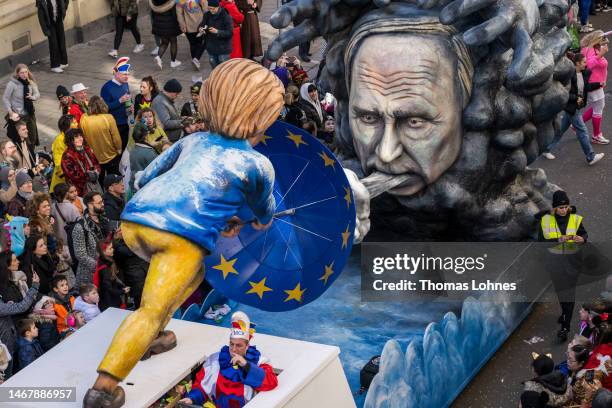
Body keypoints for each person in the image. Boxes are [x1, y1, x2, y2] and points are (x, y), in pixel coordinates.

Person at [84, 60, 283, 408]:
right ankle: (104, 387)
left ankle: (156, 335)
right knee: (149, 309)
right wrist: (245, 220)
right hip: (179, 239)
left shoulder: (194, 140)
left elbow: (146, 178)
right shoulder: (256, 164)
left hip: (135, 222)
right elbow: (263, 213)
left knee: (194, 274)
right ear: (263, 114)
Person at [180, 312, 278, 407]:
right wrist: (192, 398)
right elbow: (202, 387)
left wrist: (246, 365)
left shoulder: (259, 362)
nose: (234, 349)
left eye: (239, 345)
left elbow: (271, 382)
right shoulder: (215, 360)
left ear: (247, 345)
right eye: (231, 344)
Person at [537, 190, 588, 342]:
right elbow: (540, 244)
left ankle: (565, 326)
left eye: (566, 207)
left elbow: (584, 235)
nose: (564, 210)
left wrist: (582, 239)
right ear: (554, 208)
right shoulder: (546, 221)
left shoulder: (575, 219)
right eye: (561, 207)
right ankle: (565, 313)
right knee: (561, 292)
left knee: (569, 293)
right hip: (555, 264)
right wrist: (557, 240)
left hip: (573, 262)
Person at [0, 270, 38, 379]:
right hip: (5, 351)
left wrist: (6, 306)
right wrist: (34, 286)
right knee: (8, 378)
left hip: (8, 345)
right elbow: (22, 307)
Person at [71, 192, 109, 288]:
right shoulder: (80, 226)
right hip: (89, 276)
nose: (103, 204)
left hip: (107, 270)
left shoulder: (105, 221)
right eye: (99, 203)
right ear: (90, 205)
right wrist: (98, 266)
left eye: (102, 202)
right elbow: (80, 254)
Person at [80, 96, 123, 179]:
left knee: (100, 179)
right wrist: (119, 149)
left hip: (94, 157)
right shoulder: (108, 117)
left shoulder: (84, 118)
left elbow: (83, 137)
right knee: (114, 178)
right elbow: (116, 137)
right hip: (110, 155)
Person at [582, 32, 610, 145]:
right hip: (593, 84)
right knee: (598, 109)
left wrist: (604, 81)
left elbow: (602, 67)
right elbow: (587, 66)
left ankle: (576, 125)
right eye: (602, 42)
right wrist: (600, 55)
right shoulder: (588, 50)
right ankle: (596, 136)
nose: (604, 44)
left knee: (597, 107)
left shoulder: (595, 48)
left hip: (598, 84)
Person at [3, 64, 40, 147]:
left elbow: (37, 94)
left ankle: (32, 155)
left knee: (33, 137)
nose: (24, 74)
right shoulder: (12, 84)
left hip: (30, 114)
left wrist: (32, 97)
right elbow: (5, 98)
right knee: (25, 139)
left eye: (26, 72)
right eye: (21, 73)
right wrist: (10, 112)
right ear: (17, 74)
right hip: (19, 116)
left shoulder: (30, 82)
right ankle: (26, 155)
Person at [101, 58, 132, 153]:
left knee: (124, 147)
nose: (127, 77)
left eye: (127, 74)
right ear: (116, 74)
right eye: (124, 74)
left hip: (125, 122)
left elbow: (128, 97)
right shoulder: (106, 88)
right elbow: (104, 108)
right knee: (115, 150)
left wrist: (131, 105)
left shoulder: (125, 84)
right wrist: (120, 101)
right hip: (113, 125)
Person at [61, 128, 102, 197]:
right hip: (78, 190)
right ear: (71, 140)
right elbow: (72, 175)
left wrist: (97, 171)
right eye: (76, 137)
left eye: (81, 136)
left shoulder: (87, 149)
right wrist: (88, 176)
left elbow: (96, 163)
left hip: (94, 184)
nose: (80, 139)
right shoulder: (67, 155)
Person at [113, 228, 148, 309]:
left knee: (139, 299)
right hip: (140, 274)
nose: (118, 231)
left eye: (120, 230)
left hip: (135, 275)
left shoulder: (121, 248)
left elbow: (119, 262)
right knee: (141, 298)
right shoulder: (139, 243)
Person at [35, 0, 69, 73]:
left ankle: (63, 62)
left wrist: (63, 11)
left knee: (61, 41)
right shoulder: (41, 1)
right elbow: (41, 17)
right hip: (50, 24)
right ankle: (55, 66)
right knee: (54, 44)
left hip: (59, 20)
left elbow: (65, 2)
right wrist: (46, 30)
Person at [199, 0, 234, 69]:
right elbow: (202, 24)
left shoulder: (226, 16)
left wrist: (217, 32)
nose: (211, 10)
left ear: (218, 7)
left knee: (224, 70)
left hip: (223, 49)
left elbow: (230, 33)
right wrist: (200, 28)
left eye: (213, 8)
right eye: (209, 8)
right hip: (211, 48)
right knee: (214, 70)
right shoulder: (207, 15)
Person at [96, 239, 129, 312]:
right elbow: (108, 288)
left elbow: (112, 280)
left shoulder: (105, 261)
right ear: (104, 251)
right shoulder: (105, 269)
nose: (113, 250)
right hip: (109, 301)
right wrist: (122, 291)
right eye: (110, 248)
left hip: (110, 297)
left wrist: (121, 287)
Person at [150, 0, 182, 70]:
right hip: (170, 26)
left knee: (164, 43)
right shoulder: (171, 3)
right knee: (173, 42)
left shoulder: (154, 2)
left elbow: (152, 16)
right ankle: (173, 62)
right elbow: (175, 15)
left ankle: (158, 57)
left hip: (159, 26)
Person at [129, 120, 159, 193]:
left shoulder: (133, 150)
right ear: (146, 135)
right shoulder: (149, 153)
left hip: (135, 187)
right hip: (147, 188)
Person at [177, 0, 206, 70]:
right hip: (200, 24)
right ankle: (196, 59)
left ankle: (195, 60)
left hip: (188, 25)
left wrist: (182, 25)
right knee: (200, 43)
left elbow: (179, 13)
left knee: (192, 44)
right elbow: (205, 9)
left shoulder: (179, 1)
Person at [50, 115, 74, 193]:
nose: (76, 123)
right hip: (63, 184)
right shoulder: (60, 140)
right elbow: (58, 163)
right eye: (74, 122)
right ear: (68, 126)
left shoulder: (72, 137)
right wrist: (67, 178)